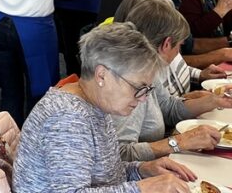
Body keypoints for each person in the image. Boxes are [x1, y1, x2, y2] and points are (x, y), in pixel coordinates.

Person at [12, 22, 197, 193]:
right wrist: (141, 188)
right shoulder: (67, 118)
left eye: (147, 89)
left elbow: (107, 175)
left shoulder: (94, 103)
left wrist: (142, 169)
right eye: (138, 88)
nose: (143, 99)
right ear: (102, 75)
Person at [112, 0, 230, 160]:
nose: (178, 54)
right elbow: (120, 154)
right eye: (179, 46)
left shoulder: (146, 67)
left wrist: (214, 101)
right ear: (166, 44)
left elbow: (168, 108)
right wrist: (178, 142)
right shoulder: (128, 83)